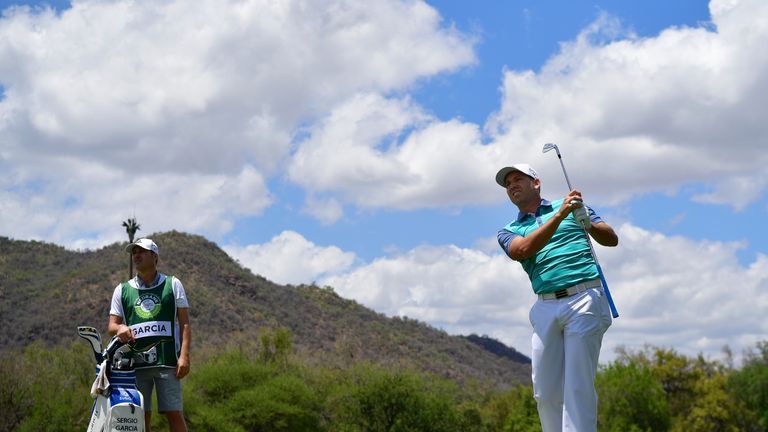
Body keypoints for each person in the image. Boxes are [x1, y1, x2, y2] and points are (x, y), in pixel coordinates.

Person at [495, 163, 618, 432]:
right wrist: (562, 215)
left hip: (584, 297)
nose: (512, 185)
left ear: (536, 183)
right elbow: (523, 250)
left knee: (577, 385)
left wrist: (587, 222)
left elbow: (611, 239)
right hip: (545, 305)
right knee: (546, 391)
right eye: (508, 184)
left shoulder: (573, 207)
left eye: (518, 179)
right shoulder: (508, 230)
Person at [108, 238, 191, 432]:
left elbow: (185, 323)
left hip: (168, 361)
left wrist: (184, 356)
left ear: (154, 256)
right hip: (135, 364)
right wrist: (120, 329)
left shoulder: (173, 284)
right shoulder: (122, 290)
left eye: (141, 251)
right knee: (140, 416)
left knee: (174, 412)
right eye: (134, 252)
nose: (136, 255)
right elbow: (112, 325)